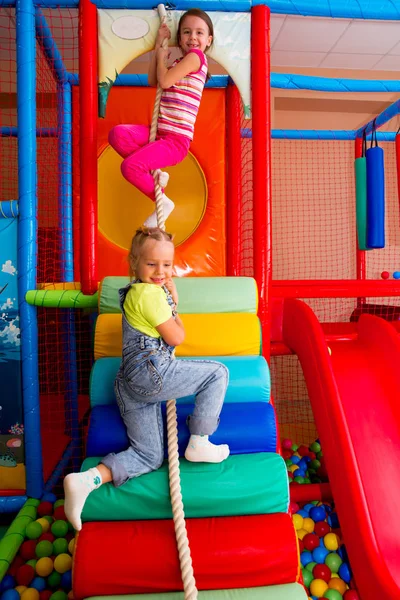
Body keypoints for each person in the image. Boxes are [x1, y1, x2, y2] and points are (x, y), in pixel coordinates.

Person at [64, 227, 229, 531]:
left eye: (167, 265)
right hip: (150, 375)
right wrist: (174, 304)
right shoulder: (151, 296)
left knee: (149, 456)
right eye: (152, 264)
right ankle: (200, 441)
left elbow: (149, 238)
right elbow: (177, 336)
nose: (160, 271)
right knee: (218, 373)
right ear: (135, 263)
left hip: (129, 384)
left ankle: (88, 479)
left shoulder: (133, 291)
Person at [108, 8, 214, 227]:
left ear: (208, 40)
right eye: (186, 32)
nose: (192, 37)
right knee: (118, 134)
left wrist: (161, 61)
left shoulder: (197, 57)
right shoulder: (178, 63)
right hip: (160, 133)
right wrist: (158, 48)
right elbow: (152, 80)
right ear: (180, 38)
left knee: (130, 167)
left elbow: (164, 81)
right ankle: (156, 175)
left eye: (199, 33)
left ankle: (162, 201)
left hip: (175, 141)